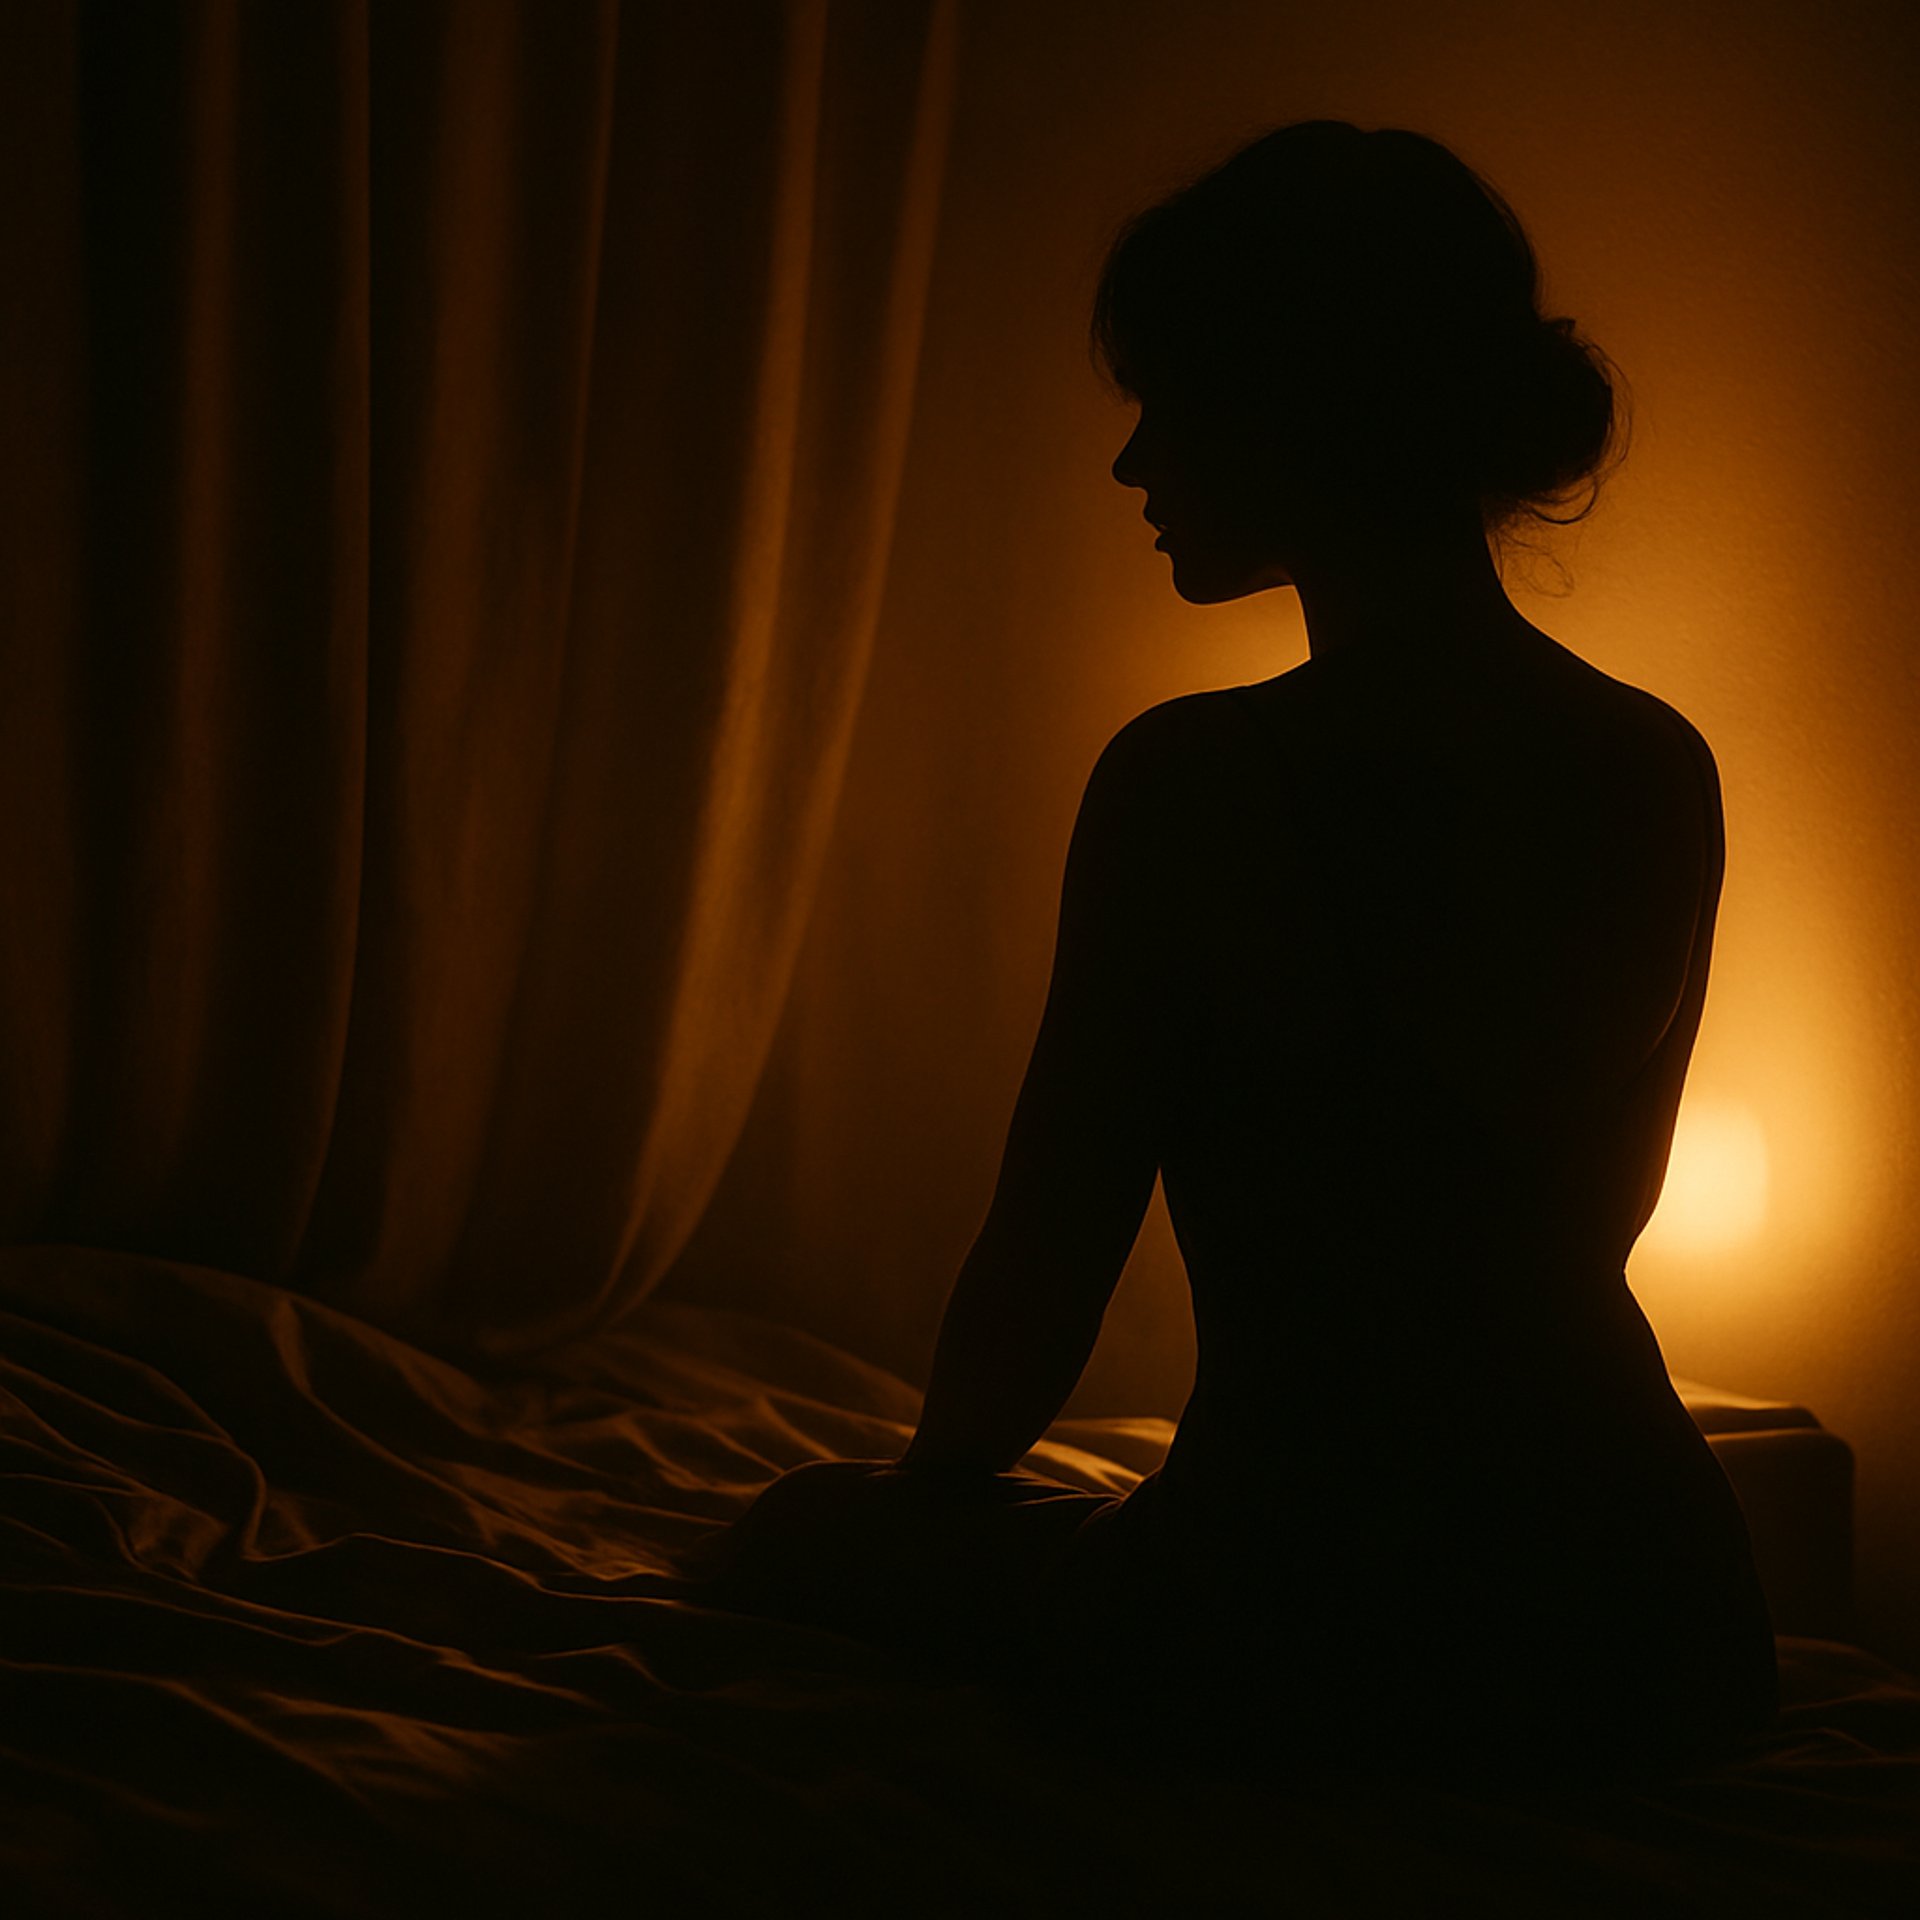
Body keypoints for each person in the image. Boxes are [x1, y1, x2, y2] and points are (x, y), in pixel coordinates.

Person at [679, 120, 1779, 1788]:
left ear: (1298, 406)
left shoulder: (1197, 783)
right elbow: (1580, 1224)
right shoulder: (1654, 759)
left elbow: (1043, 1276)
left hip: (1299, 1610)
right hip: (1656, 1624)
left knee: (791, 1537)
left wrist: (917, 1507)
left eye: (1170, 400)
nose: (1134, 466)